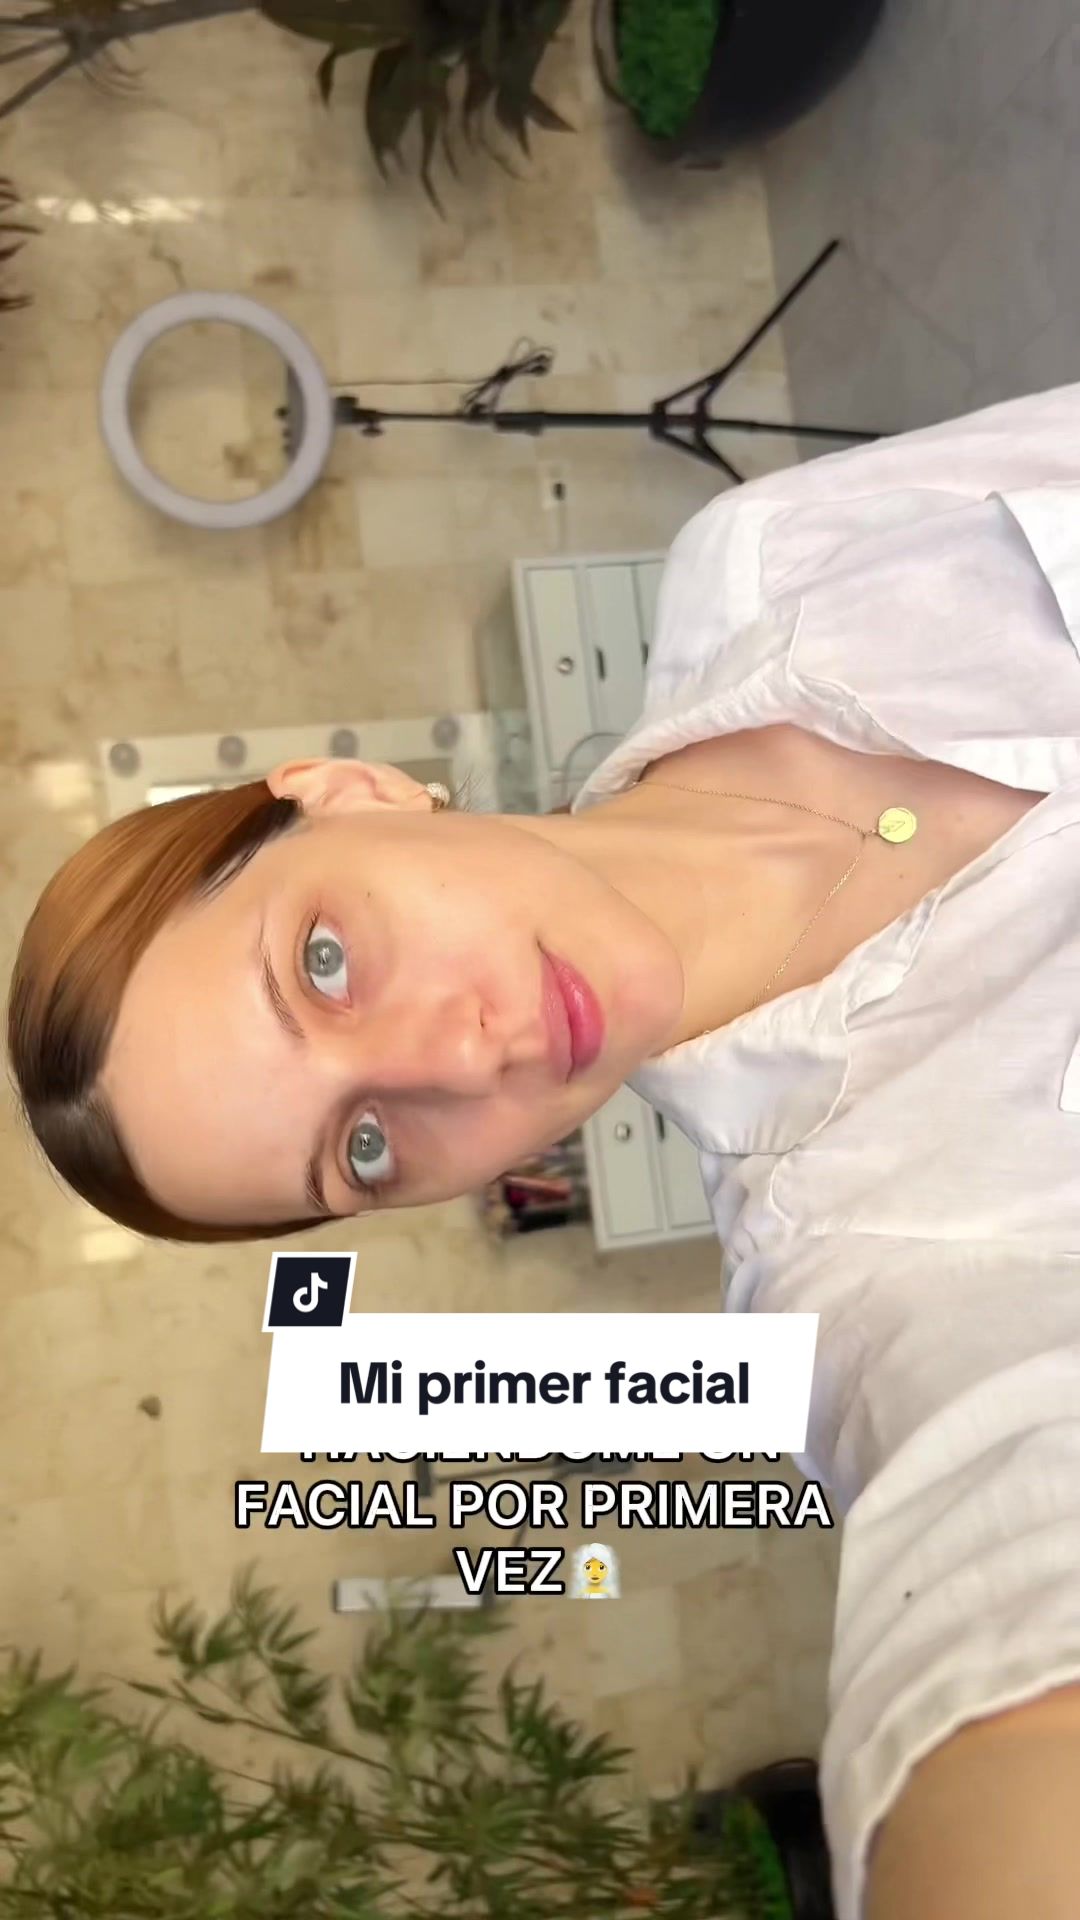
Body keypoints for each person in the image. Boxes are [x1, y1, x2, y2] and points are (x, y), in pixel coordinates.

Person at [9, 383, 1080, 1918]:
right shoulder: (861, 1283)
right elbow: (1006, 1572)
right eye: (363, 1145)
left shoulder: (767, 555)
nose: (463, 1059)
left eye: (324, 963)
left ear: (351, 795)